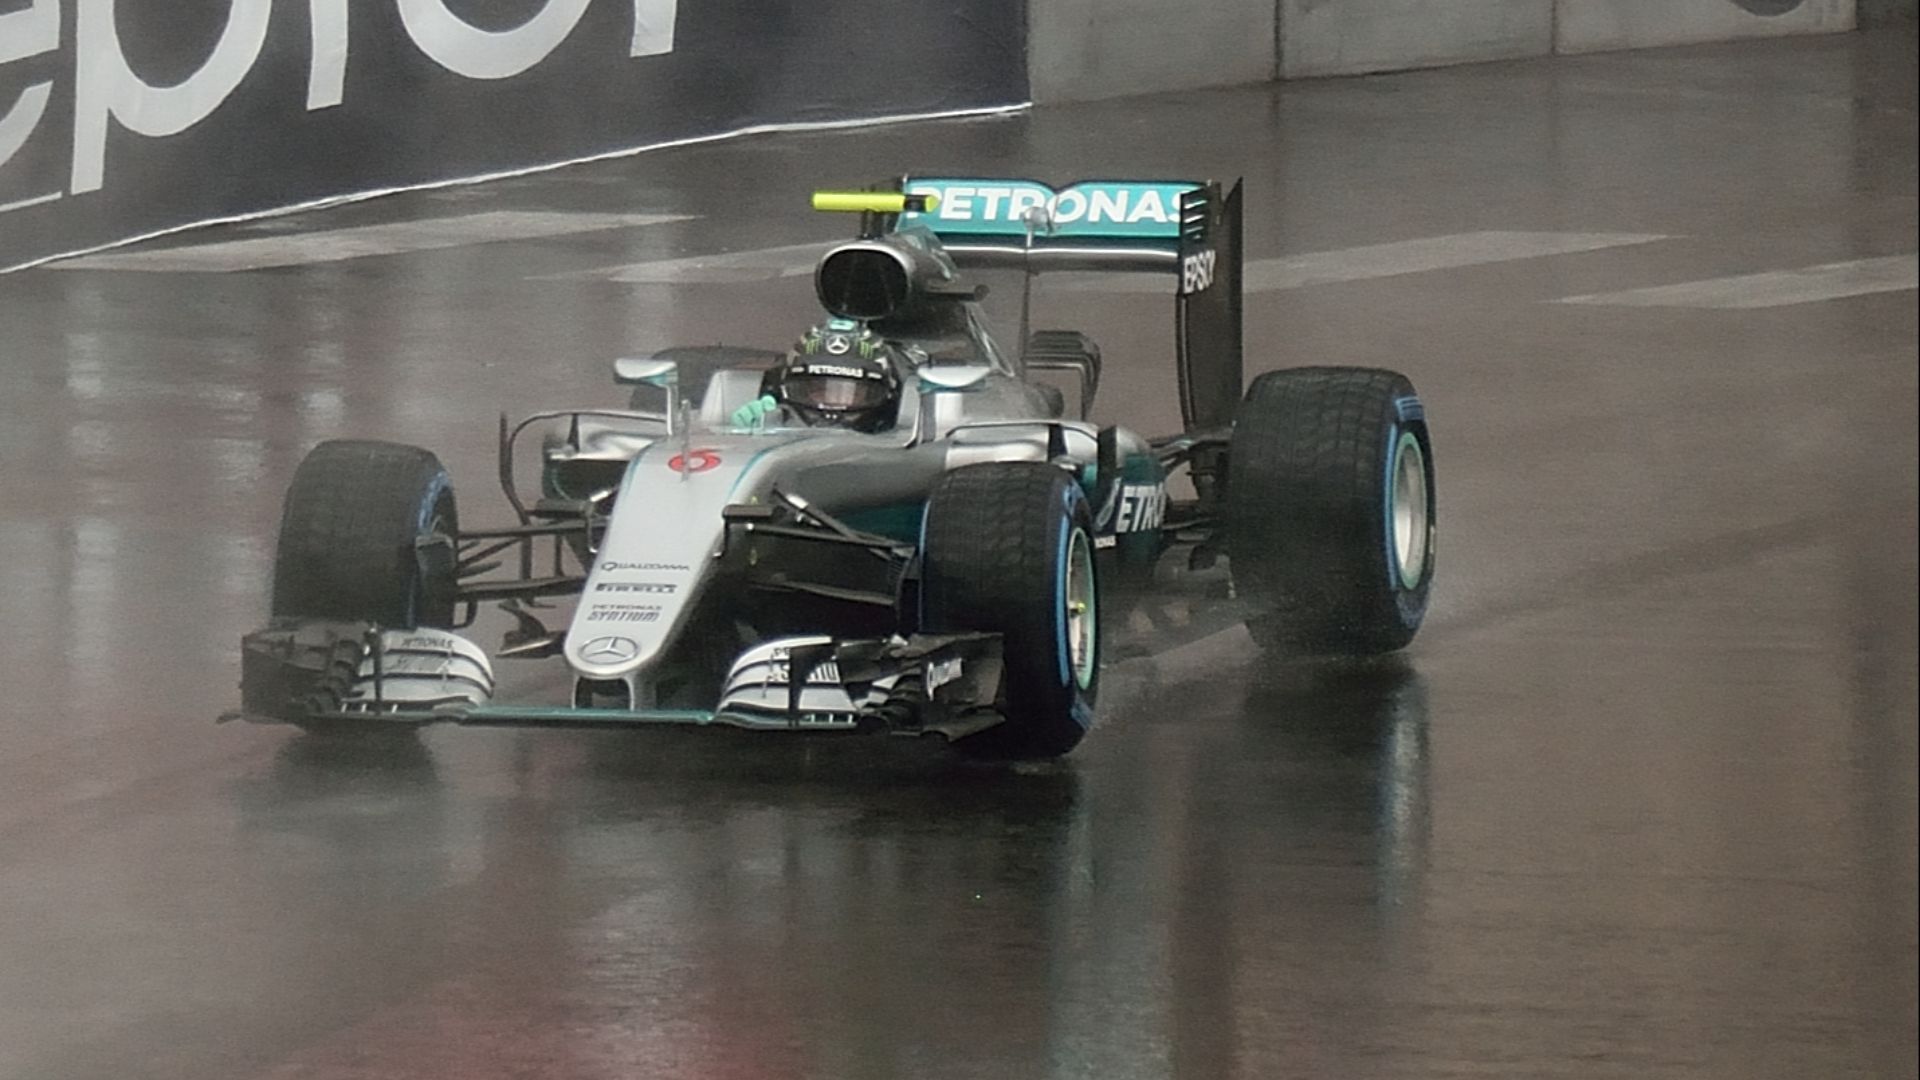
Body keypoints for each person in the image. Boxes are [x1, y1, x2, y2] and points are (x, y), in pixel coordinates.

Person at [731, 318, 904, 432]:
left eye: (853, 394)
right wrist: (742, 437)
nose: (832, 405)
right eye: (819, 391)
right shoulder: (770, 426)